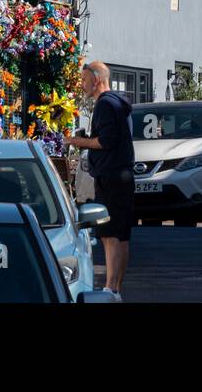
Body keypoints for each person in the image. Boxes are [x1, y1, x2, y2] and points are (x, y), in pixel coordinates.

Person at [65, 61, 133, 300]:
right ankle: (115, 290)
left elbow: (105, 141)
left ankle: (110, 289)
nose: (82, 84)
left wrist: (77, 142)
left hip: (111, 176)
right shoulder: (116, 103)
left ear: (97, 79)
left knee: (109, 234)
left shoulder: (105, 104)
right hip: (122, 175)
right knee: (121, 235)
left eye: (84, 79)